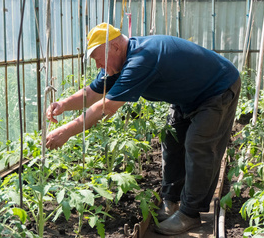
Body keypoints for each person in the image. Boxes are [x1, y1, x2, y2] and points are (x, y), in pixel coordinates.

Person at [46, 23, 240, 235]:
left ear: (115, 47)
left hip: (217, 88)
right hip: (188, 96)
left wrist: (65, 131)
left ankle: (190, 213)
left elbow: (106, 106)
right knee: (172, 139)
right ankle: (172, 200)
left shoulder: (141, 59)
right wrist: (63, 104)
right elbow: (93, 93)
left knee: (199, 145)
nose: (97, 65)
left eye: (97, 58)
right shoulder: (118, 63)